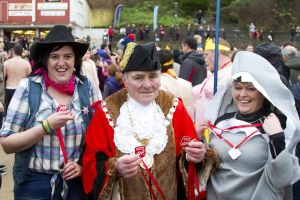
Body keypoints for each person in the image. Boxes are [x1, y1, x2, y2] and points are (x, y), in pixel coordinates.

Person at [82, 42, 206, 199]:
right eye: (138, 78)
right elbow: (90, 166)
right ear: (125, 80)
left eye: (153, 76)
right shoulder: (106, 111)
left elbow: (189, 156)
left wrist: (196, 156)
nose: (147, 85)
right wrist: (114, 168)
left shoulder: (175, 108)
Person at [0, 25, 99, 200]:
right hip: (34, 185)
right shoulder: (29, 88)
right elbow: (7, 144)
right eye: (55, 56)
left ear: (75, 60)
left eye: (67, 56)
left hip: (76, 185)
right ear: (46, 60)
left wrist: (83, 166)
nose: (61, 63)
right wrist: (46, 126)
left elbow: (98, 140)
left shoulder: (87, 88)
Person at [198, 51, 300, 199]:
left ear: (263, 92)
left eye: (251, 89)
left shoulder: (279, 126)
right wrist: (198, 146)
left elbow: (281, 180)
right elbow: (205, 168)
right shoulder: (222, 122)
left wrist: (277, 138)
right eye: (238, 88)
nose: (242, 94)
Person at [3, 44, 31, 111]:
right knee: (21, 109)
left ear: (13, 52)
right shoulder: (26, 63)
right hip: (22, 88)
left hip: (9, 88)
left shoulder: (6, 63)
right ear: (22, 52)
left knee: (9, 109)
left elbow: (3, 77)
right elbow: (30, 77)